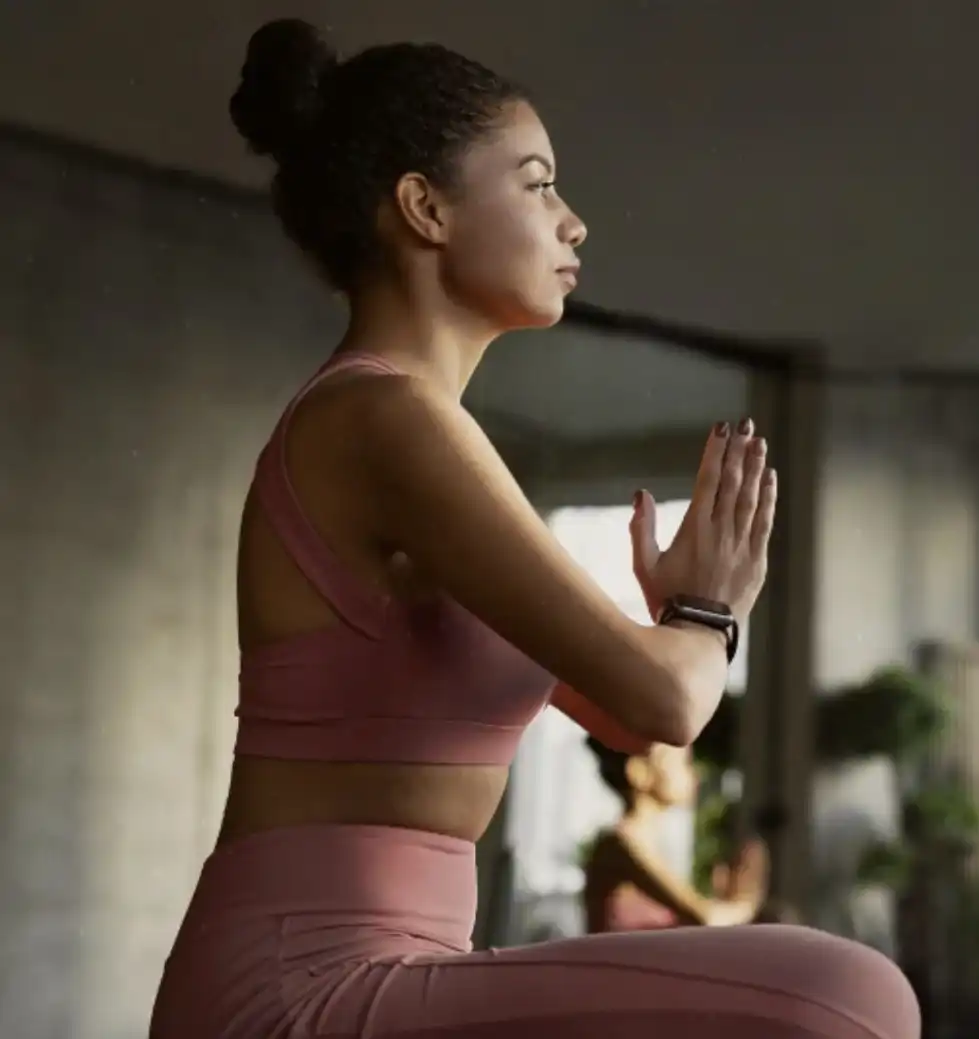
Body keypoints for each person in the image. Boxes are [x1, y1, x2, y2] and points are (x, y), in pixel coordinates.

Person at [149, 18, 918, 1039]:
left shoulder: (427, 439)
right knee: (852, 1001)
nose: (574, 222)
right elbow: (669, 697)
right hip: (302, 981)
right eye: (537, 181)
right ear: (423, 208)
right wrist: (705, 610)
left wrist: (669, 626)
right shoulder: (384, 421)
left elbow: (627, 711)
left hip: (396, 960)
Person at [580, 738, 773, 933]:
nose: (695, 773)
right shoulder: (621, 845)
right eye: (682, 762)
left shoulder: (644, 846)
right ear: (639, 772)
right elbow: (706, 918)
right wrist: (747, 899)